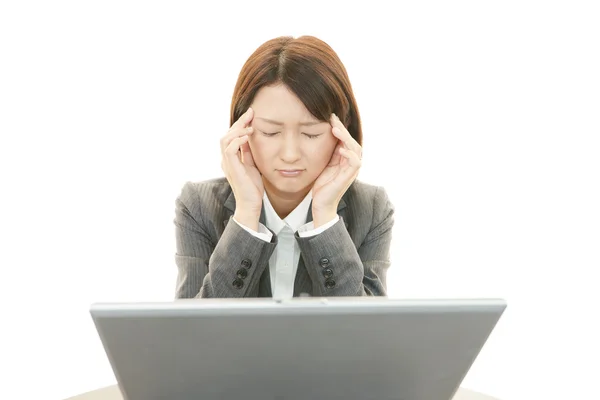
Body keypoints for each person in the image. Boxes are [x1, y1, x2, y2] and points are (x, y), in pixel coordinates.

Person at [173, 35, 395, 299]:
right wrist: (246, 216)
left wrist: (325, 219)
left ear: (341, 133)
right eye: (270, 132)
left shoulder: (372, 209)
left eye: (311, 134)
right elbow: (191, 332)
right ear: (241, 129)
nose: (290, 155)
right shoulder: (198, 206)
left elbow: (366, 332)